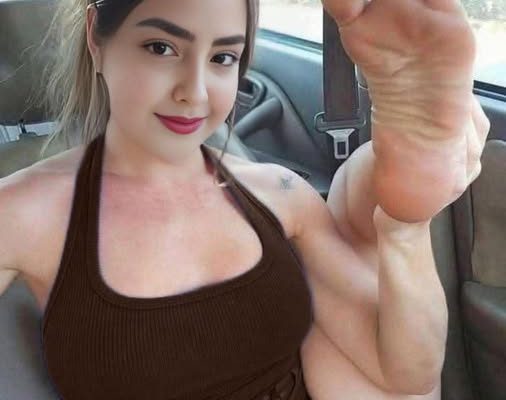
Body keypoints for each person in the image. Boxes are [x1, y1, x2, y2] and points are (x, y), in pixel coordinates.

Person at [0, 0, 490, 399]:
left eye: (222, 58)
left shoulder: (277, 192)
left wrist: (404, 227)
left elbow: (405, 377)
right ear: (97, 39)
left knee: (364, 215)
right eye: (161, 47)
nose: (194, 92)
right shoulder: (22, 213)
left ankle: (398, 184)